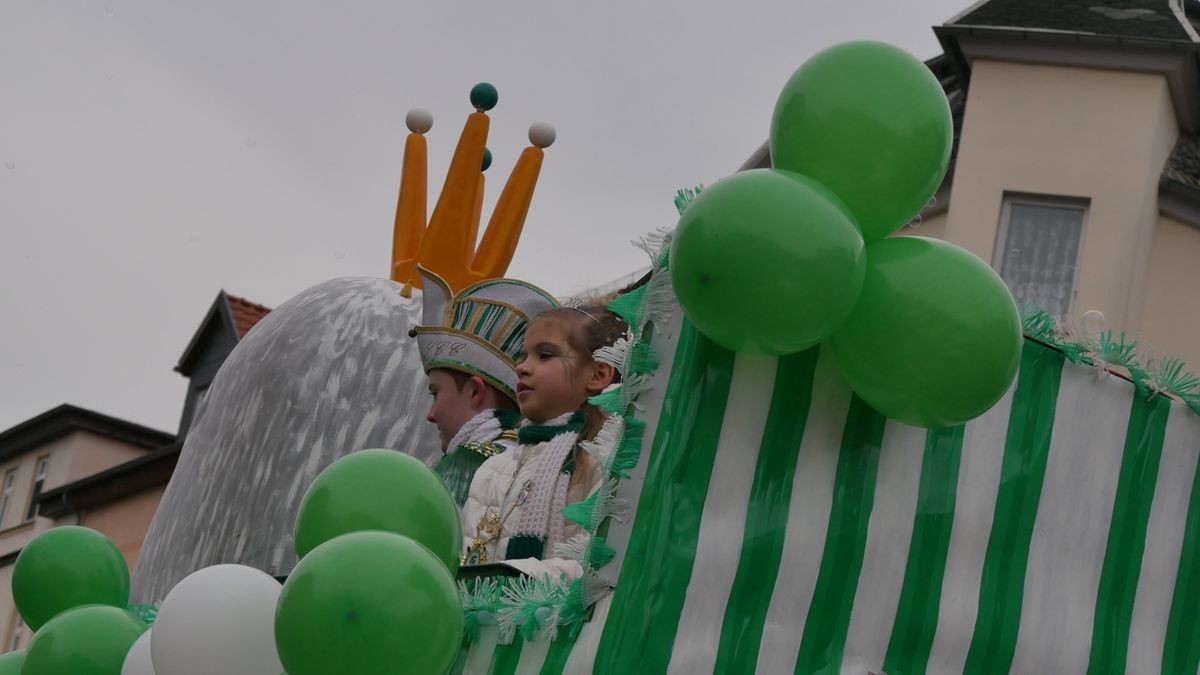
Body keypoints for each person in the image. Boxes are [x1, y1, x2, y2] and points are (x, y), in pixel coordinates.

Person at [460, 300, 628, 576]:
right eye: (523, 356)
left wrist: (514, 579)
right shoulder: (491, 469)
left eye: (545, 355)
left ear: (597, 375)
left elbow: (600, 565)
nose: (521, 368)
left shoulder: (606, 455)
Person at [410, 265, 558, 506]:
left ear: (475, 391)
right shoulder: (540, 459)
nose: (431, 414)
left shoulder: (466, 463)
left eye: (435, 393)